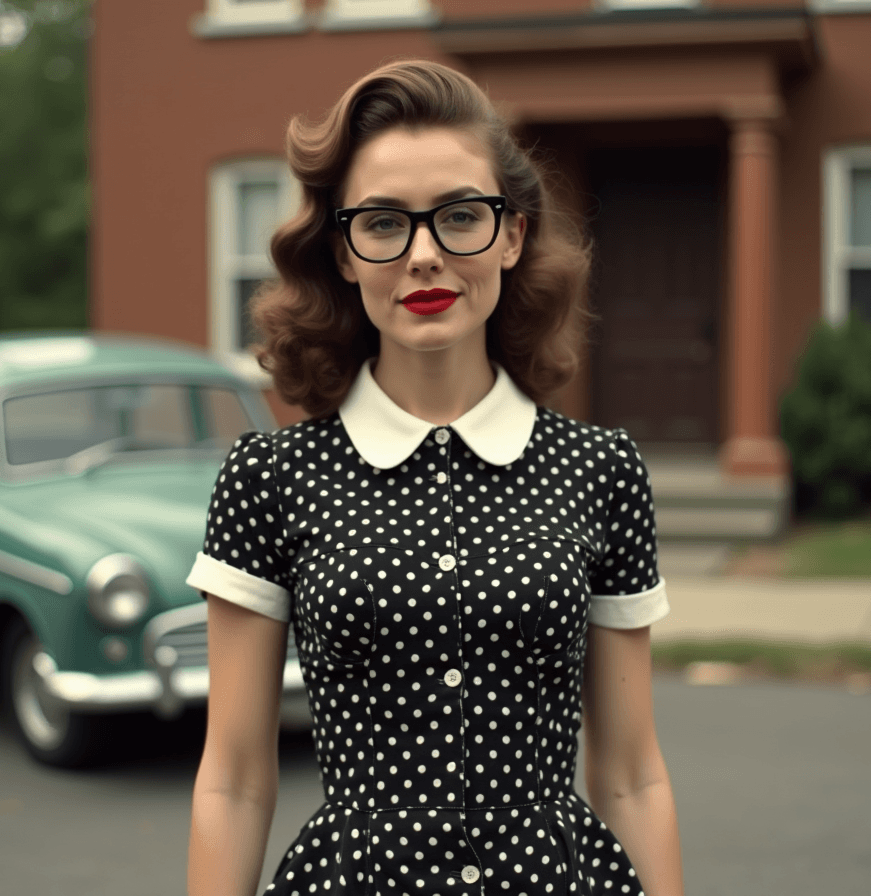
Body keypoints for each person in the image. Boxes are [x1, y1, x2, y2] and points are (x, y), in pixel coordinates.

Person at [185, 59, 685, 896]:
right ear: (343, 251)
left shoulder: (601, 471)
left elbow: (633, 775)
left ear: (514, 234)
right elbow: (234, 783)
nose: (423, 256)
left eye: (460, 216)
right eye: (383, 223)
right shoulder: (268, 478)